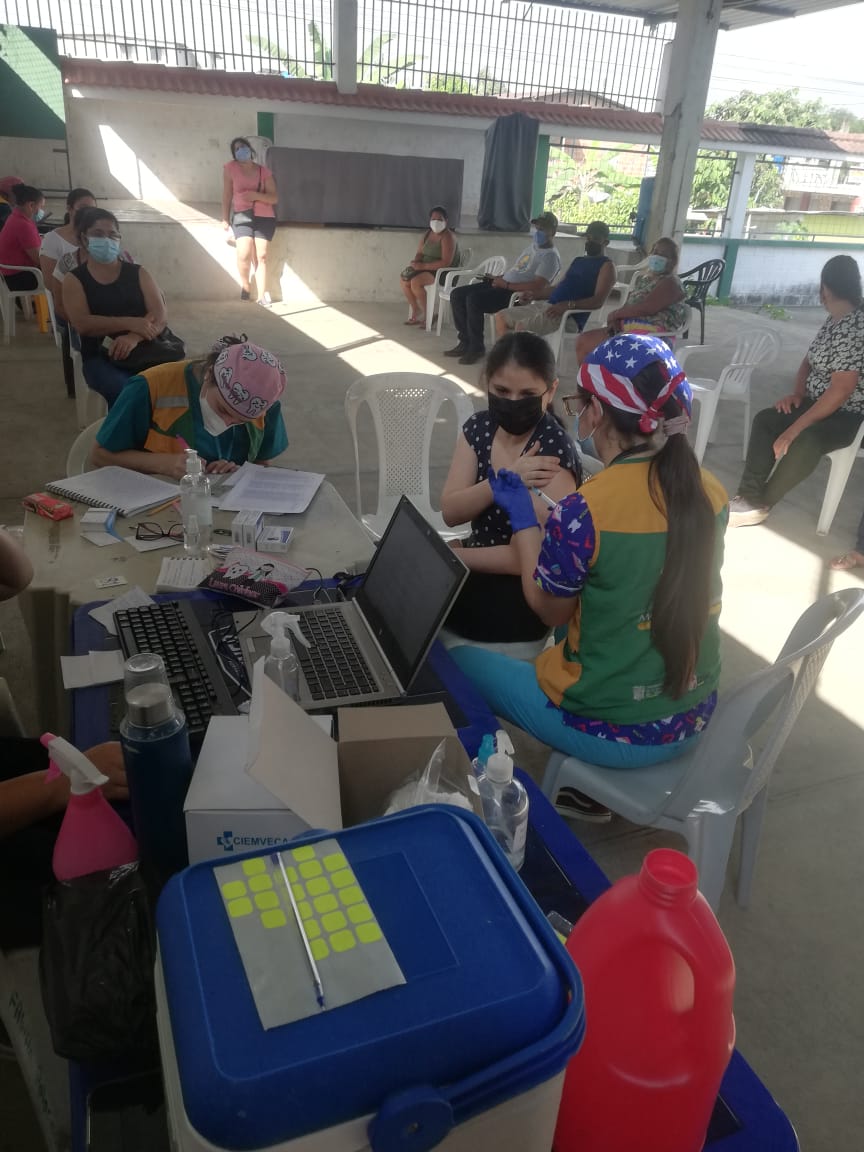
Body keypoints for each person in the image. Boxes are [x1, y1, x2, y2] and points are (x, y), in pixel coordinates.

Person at [451, 335, 727, 820]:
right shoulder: (710, 492)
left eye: (579, 404)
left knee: (457, 663)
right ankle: (583, 785)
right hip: (696, 712)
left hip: (615, 731)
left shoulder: (586, 511)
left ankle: (493, 792)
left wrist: (523, 519)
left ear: (596, 411)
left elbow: (547, 609)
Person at [442, 333, 581, 642]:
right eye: (502, 391)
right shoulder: (480, 428)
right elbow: (451, 512)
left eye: (527, 393)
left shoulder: (551, 454)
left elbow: (528, 559)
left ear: (550, 391)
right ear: (486, 382)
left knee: (411, 608)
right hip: (475, 562)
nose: (513, 402)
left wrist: (453, 557)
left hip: (523, 591)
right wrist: (501, 482)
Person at [730, 255, 864, 528]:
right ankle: (748, 496)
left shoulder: (855, 325)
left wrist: (794, 429)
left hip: (847, 415)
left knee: (806, 440)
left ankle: (761, 503)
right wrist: (798, 394)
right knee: (767, 420)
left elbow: (842, 389)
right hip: (816, 403)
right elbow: (807, 362)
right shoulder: (834, 319)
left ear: (826, 288)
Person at [92, 334, 288, 479]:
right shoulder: (149, 387)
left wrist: (234, 475)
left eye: (241, 421)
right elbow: (100, 455)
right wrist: (163, 464)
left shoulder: (264, 403)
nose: (228, 423)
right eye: (223, 409)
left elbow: (261, 464)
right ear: (209, 374)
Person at [62, 208, 171, 408]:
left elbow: (159, 315)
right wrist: (130, 323)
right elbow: (82, 323)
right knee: (127, 392)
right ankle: (129, 428)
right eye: (98, 234)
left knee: (176, 385)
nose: (106, 240)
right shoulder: (74, 280)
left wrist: (133, 337)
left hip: (147, 347)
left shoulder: (139, 273)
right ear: (84, 239)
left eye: (112, 235)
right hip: (102, 355)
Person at [445, 211, 562, 365]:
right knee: (457, 294)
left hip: (514, 294)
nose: (538, 232)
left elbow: (537, 286)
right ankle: (464, 341)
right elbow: (518, 270)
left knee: (474, 300)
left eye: (543, 229)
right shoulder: (533, 247)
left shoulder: (550, 257)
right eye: (537, 228)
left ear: (552, 232)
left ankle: (476, 347)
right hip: (503, 284)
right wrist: (498, 278)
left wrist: (506, 284)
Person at [493, 220, 616, 340]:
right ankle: (506, 351)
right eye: (588, 238)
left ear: (605, 242)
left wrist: (567, 306)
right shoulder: (578, 261)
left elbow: (598, 301)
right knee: (501, 316)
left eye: (595, 239)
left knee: (522, 328)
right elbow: (557, 288)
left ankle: (516, 352)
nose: (590, 242)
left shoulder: (606, 266)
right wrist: (533, 295)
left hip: (568, 315)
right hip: (549, 306)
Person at [575, 236, 689, 364]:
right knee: (584, 343)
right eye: (655, 252)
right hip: (630, 329)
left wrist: (615, 314)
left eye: (663, 254)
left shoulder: (671, 283)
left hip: (651, 337)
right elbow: (629, 305)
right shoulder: (646, 280)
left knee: (588, 345)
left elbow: (647, 308)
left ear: (672, 261)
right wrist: (616, 320)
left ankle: (597, 376)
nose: (657, 256)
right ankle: (591, 377)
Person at [221, 137, 279, 304]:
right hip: (242, 215)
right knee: (244, 253)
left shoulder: (263, 172)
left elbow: (274, 198)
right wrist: (225, 218)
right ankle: (246, 284)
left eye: (244, 147)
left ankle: (262, 295)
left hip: (264, 217)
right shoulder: (230, 168)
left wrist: (255, 195)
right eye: (237, 149)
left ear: (250, 149)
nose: (241, 150)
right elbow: (227, 195)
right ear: (234, 154)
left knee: (261, 256)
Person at [39, 187, 97, 316]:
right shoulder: (52, 239)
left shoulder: (97, 238)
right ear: (69, 209)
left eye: (92, 209)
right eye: (83, 208)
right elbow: (50, 283)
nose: (88, 213)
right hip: (69, 303)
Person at [399, 206, 457, 326]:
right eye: (433, 219)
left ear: (446, 221)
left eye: (439, 219)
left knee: (416, 282)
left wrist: (423, 266)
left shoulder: (448, 237)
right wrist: (416, 262)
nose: (436, 222)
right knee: (404, 280)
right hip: (424, 267)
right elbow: (420, 253)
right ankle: (416, 309)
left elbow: (446, 262)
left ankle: (428, 315)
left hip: (441, 271)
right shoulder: (427, 234)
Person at [0, 184, 45, 290]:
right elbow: (39, 260)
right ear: (31, 205)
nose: (41, 211)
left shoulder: (15, 217)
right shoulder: (23, 225)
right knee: (60, 275)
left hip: (8, 274)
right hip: (18, 277)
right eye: (41, 207)